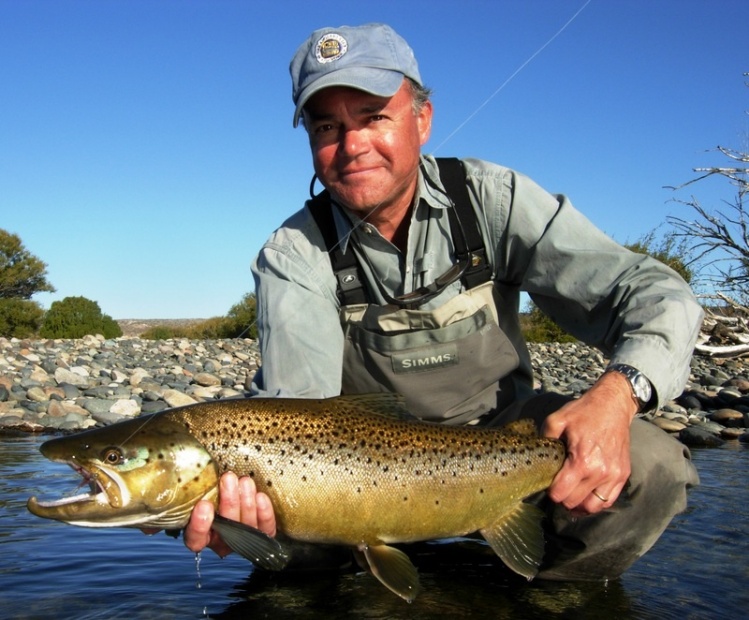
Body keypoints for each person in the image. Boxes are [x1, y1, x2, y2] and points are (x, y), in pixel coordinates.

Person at [184, 23, 702, 580]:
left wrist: (617, 396)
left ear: (422, 120)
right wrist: (240, 513)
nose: (352, 145)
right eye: (328, 126)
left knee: (653, 467)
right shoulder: (294, 254)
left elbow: (657, 293)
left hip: (511, 444)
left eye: (374, 117)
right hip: (361, 471)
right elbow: (293, 413)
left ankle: (556, 594)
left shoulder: (492, 200)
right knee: (272, 526)